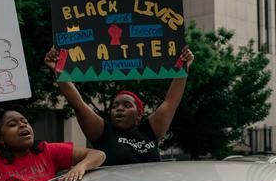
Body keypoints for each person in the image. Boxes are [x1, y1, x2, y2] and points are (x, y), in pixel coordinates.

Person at [44, 46, 194, 166]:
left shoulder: (150, 131)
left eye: (127, 105)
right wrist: (58, 70)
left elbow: (170, 102)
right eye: (115, 106)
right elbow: (78, 104)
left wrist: (183, 67)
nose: (119, 108)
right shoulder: (103, 132)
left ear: (139, 114)